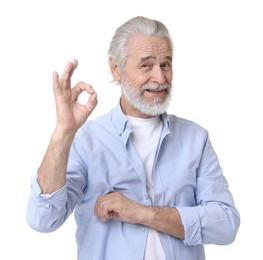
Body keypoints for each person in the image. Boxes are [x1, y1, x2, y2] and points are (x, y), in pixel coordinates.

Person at [26, 16, 240, 260]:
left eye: (166, 65)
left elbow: (226, 224)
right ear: (116, 68)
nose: (160, 78)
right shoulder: (86, 139)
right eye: (146, 65)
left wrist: (142, 213)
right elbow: (42, 219)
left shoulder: (196, 139)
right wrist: (63, 134)